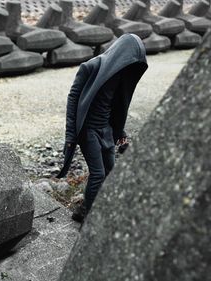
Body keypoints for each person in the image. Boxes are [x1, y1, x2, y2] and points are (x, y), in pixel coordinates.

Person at [57, 34, 148, 223]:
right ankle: (87, 214)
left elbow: (116, 107)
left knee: (110, 172)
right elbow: (73, 98)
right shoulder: (92, 67)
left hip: (105, 129)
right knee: (97, 174)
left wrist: (120, 132)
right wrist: (70, 135)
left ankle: (92, 208)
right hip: (88, 131)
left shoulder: (122, 74)